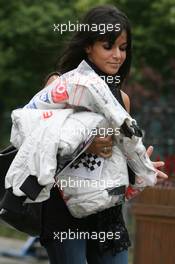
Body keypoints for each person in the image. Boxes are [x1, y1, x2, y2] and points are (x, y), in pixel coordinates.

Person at [26, 5, 167, 264]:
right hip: (65, 209)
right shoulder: (61, 85)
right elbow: (36, 143)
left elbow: (117, 160)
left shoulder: (122, 99)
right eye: (108, 46)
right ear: (88, 46)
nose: (117, 56)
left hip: (107, 212)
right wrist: (86, 145)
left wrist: (141, 169)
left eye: (123, 48)